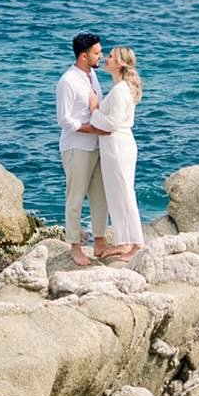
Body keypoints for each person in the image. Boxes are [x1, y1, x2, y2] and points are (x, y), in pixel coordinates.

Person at [55, 33, 112, 268]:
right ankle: (75, 246)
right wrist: (92, 130)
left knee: (101, 195)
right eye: (97, 53)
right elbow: (64, 120)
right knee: (75, 197)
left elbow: (94, 107)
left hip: (96, 146)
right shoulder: (67, 81)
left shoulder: (92, 75)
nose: (101, 55)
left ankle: (100, 241)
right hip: (76, 147)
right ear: (83, 55)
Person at [89, 46, 144, 262]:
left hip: (118, 146)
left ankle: (136, 243)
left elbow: (111, 123)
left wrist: (94, 110)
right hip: (114, 146)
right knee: (116, 195)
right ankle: (123, 242)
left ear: (120, 63)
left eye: (110, 56)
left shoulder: (121, 90)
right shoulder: (121, 88)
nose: (105, 58)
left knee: (125, 195)